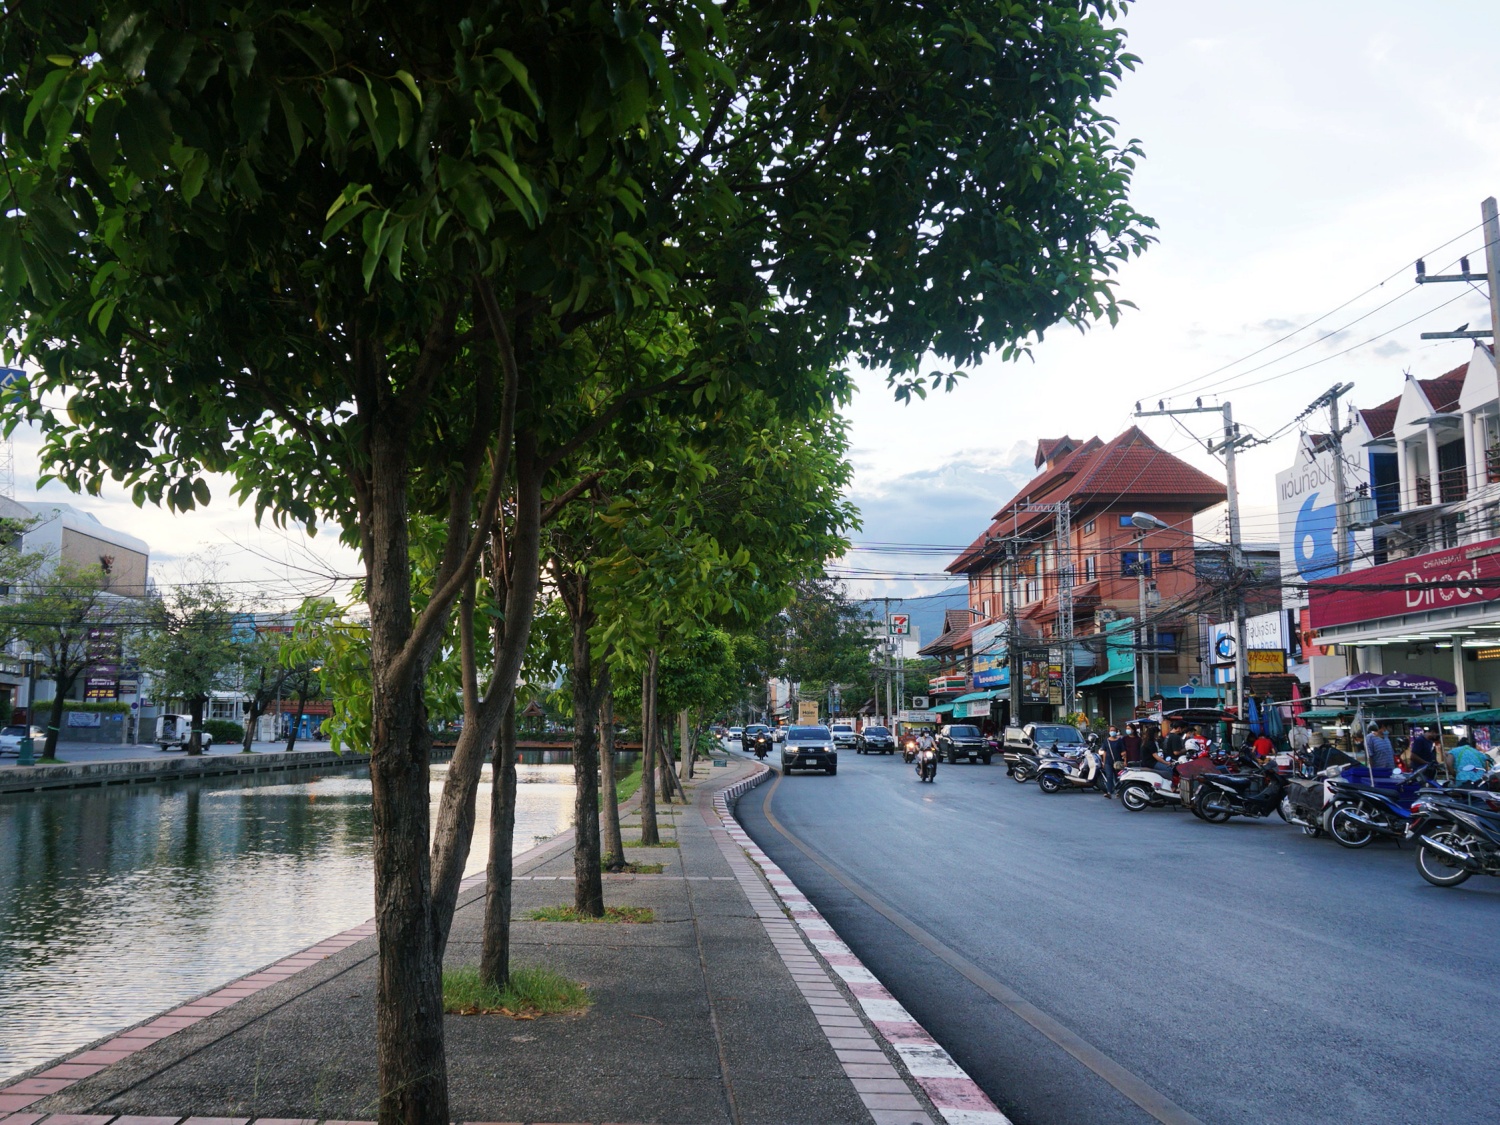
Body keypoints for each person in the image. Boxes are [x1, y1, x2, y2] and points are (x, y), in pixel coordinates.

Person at [1099, 726, 1123, 797]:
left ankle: (1118, 792)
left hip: (1117, 762)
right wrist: (1103, 762)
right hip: (1108, 762)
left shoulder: (1119, 740)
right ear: (1109, 732)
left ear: (1116, 731)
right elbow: (1104, 752)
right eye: (1111, 730)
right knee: (1109, 776)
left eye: (1114, 730)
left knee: (1117, 777)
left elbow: (1123, 751)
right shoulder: (1106, 741)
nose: (1112, 731)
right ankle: (1109, 792)